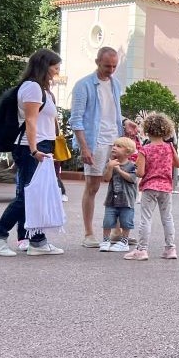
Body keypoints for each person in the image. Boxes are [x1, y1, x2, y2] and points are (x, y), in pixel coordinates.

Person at [0, 49, 66, 257]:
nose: (57, 71)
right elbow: (30, 120)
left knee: (36, 195)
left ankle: (37, 241)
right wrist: (34, 149)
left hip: (41, 145)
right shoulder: (32, 88)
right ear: (44, 66)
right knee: (28, 197)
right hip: (32, 146)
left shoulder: (41, 89)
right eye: (55, 67)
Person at [70, 46, 125, 249]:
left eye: (114, 66)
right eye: (107, 66)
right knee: (92, 187)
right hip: (95, 142)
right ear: (97, 62)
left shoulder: (116, 84)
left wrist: (125, 122)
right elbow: (76, 120)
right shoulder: (83, 85)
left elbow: (113, 112)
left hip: (115, 140)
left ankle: (117, 231)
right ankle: (88, 233)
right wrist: (84, 147)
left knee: (118, 186)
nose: (111, 70)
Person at [124, 112, 179, 261]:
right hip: (166, 187)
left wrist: (135, 167)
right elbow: (178, 164)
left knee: (146, 219)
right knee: (167, 218)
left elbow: (140, 173)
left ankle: (142, 250)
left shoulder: (145, 149)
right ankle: (170, 249)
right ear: (166, 130)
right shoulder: (169, 147)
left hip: (149, 187)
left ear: (147, 130)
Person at [99, 137, 138, 253]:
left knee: (126, 221)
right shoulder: (110, 164)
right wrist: (110, 167)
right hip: (111, 199)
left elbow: (132, 179)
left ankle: (124, 242)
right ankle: (106, 240)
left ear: (127, 152)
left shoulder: (132, 166)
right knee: (107, 221)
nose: (114, 148)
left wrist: (119, 170)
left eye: (119, 146)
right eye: (114, 145)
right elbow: (106, 179)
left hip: (127, 200)